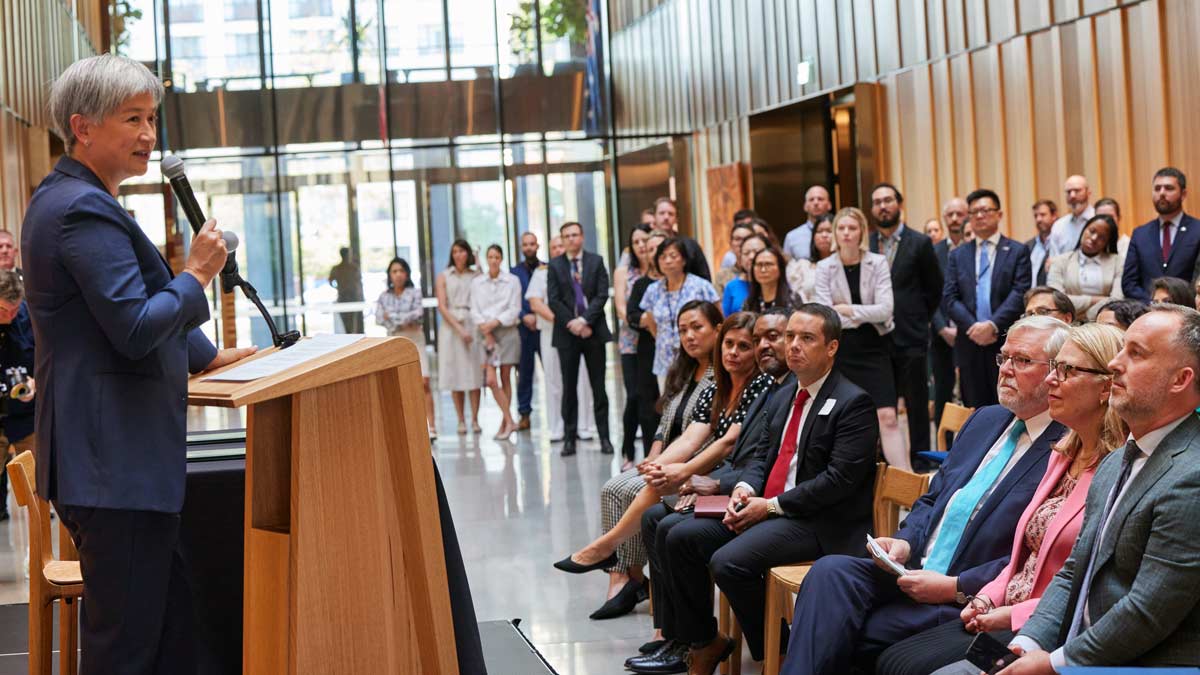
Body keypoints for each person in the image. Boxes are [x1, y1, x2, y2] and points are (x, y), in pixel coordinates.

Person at [23, 54, 257, 671]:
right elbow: (131, 327)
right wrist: (200, 273)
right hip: (112, 463)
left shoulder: (75, 199)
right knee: (126, 647)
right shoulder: (80, 209)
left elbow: (118, 315)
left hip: (117, 464)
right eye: (133, 118)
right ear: (83, 126)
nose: (150, 135)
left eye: (152, 118)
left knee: (170, 634)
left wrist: (206, 358)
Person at [781, 316, 1070, 675]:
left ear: (1058, 373)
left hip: (967, 598)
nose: (1006, 370)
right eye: (1003, 358)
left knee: (832, 629)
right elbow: (932, 500)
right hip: (913, 570)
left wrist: (955, 587)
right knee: (830, 573)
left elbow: (1035, 557)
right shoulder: (986, 420)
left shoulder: (1067, 446)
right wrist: (903, 542)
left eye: (1022, 361)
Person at [638, 305, 879, 674]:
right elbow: (762, 456)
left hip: (820, 521)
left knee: (728, 562)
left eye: (806, 338)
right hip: (772, 506)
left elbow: (837, 482)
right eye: (790, 337)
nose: (793, 346)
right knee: (677, 534)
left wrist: (770, 506)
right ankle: (704, 640)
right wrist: (746, 489)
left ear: (831, 347)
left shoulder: (853, 402)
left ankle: (781, 651)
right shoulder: (782, 395)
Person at [877, 323, 1126, 675]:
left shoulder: (1116, 468)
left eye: (1065, 370)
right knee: (890, 656)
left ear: (1106, 386)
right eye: (1053, 368)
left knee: (910, 665)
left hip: (1044, 623)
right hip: (1000, 603)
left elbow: (1083, 581)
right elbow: (1023, 553)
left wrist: (989, 602)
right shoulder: (1062, 453)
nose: (1052, 380)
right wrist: (988, 596)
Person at [1001, 306, 1200, 672]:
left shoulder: (1192, 475)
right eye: (1121, 349)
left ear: (1180, 379)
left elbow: (1146, 612)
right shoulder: (1118, 459)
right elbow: (1076, 569)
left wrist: (1054, 663)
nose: (1114, 364)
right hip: (1079, 650)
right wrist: (1026, 643)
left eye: (1136, 354)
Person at [555, 308, 771, 616]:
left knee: (659, 504)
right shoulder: (716, 385)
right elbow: (690, 438)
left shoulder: (758, 386)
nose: (733, 352)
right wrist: (658, 464)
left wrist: (679, 470)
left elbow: (726, 443)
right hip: (712, 466)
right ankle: (631, 585)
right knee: (639, 488)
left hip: (734, 473)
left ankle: (607, 549)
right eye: (729, 345)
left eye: (743, 346)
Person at [633, 309, 793, 669]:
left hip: (771, 503)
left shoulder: (768, 388)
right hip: (744, 486)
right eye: (761, 339)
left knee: (678, 534)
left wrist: (715, 483)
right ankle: (679, 636)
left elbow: (760, 460)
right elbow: (755, 458)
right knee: (654, 518)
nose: (764, 347)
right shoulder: (770, 389)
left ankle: (703, 639)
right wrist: (707, 481)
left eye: (773, 339)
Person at [817, 207, 908, 469]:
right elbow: (826, 316)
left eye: (852, 228)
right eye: (841, 228)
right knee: (844, 417)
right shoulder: (825, 267)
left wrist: (847, 310)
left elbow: (886, 310)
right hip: (840, 348)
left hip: (873, 346)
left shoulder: (877, 262)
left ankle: (908, 481)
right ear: (835, 232)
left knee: (888, 416)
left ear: (862, 233)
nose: (846, 233)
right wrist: (860, 314)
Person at [869, 183, 943, 460]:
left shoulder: (920, 242)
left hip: (910, 334)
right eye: (877, 202)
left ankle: (921, 462)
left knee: (916, 403)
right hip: (874, 338)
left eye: (888, 200)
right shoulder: (867, 242)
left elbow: (934, 288)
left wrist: (918, 317)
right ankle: (882, 462)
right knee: (881, 406)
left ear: (900, 204)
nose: (882, 206)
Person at [942, 188, 1032, 407]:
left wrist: (992, 325)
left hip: (1003, 338)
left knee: (1007, 402)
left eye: (985, 210)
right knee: (974, 405)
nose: (979, 216)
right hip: (969, 340)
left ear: (999, 215)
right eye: (973, 213)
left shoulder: (1016, 250)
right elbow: (950, 297)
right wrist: (974, 327)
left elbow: (1020, 292)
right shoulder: (958, 254)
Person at [547, 221, 614, 456]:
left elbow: (602, 294)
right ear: (562, 240)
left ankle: (605, 437)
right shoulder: (554, 265)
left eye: (575, 234)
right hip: (567, 335)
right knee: (569, 388)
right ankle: (569, 438)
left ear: (582, 236)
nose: (571, 239)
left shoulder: (596, 261)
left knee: (598, 387)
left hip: (593, 332)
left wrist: (585, 320)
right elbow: (553, 300)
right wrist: (573, 324)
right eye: (566, 236)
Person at [526, 236, 597, 443]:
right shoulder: (542, 273)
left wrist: (577, 323)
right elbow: (535, 303)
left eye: (560, 245)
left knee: (582, 380)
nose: (558, 250)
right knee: (554, 381)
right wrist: (564, 320)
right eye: (554, 247)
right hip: (552, 332)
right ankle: (557, 427)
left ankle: (584, 426)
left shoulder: (578, 269)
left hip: (578, 332)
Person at [640, 238, 720, 387]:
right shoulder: (652, 290)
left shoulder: (701, 285)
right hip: (664, 359)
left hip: (698, 357)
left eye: (673, 256)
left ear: (683, 260)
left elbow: (717, 318)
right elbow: (651, 322)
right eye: (663, 257)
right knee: (668, 405)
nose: (668, 261)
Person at [375, 257, 435, 437]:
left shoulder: (415, 293)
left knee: (424, 383)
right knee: (396, 384)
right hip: (394, 340)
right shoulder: (384, 296)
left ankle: (431, 426)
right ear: (389, 275)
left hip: (415, 338)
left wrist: (393, 318)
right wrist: (402, 320)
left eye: (401, 270)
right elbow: (378, 318)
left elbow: (418, 314)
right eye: (394, 271)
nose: (398, 274)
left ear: (407, 273)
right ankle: (403, 426)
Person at [1123, 167, 1200, 301]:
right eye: (1157, 188)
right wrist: (1155, 302)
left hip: (1187, 309)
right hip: (1147, 310)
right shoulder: (1140, 234)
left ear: (1183, 194)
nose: (1162, 193)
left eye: (1169, 188)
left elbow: (1198, 278)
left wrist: (1177, 302)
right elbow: (1129, 283)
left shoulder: (1197, 230)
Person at [471, 245, 522, 440]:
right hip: (485, 333)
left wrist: (496, 321)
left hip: (507, 331)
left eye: (497, 257)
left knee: (506, 376)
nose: (493, 260)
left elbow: (514, 308)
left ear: (501, 259)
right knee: (491, 380)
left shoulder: (512, 281)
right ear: (486, 258)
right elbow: (474, 309)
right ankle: (510, 419)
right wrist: (486, 327)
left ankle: (504, 423)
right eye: (490, 256)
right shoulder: (477, 283)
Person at [616, 224, 655, 467]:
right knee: (633, 396)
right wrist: (639, 322)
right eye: (637, 241)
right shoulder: (624, 272)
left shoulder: (657, 270)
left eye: (645, 241)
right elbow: (621, 306)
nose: (641, 246)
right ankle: (628, 450)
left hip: (654, 342)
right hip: (631, 339)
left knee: (652, 398)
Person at [436, 239, 484, 434]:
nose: (458, 255)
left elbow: (483, 288)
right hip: (451, 327)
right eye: (455, 251)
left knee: (473, 374)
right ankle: (461, 420)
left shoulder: (475, 275)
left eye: (462, 251)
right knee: (455, 374)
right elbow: (442, 305)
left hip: (472, 322)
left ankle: (475, 419)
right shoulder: (444, 276)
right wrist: (458, 328)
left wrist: (478, 259)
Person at [0, 271, 36, 523]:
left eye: (14, 310)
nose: (9, 317)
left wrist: (36, 381)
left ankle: (38, 554)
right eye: (3, 310)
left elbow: (47, 359)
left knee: (38, 486)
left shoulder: (28, 318)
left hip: (26, 416)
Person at [932, 197, 970, 427]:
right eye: (950, 215)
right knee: (942, 392)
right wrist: (940, 327)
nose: (955, 219)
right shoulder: (933, 251)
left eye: (960, 214)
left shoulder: (973, 250)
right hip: (941, 333)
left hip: (971, 330)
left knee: (969, 390)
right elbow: (929, 294)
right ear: (944, 218)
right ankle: (943, 446)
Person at [1047, 213, 1124, 320]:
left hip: (1103, 325)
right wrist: (1095, 300)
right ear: (1084, 229)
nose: (1093, 238)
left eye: (1101, 237)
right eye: (1091, 231)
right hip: (1067, 323)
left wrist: (1089, 316)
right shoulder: (1060, 261)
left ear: (1107, 242)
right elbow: (1056, 300)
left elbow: (1117, 300)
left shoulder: (1118, 262)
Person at [511, 231, 544, 431]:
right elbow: (512, 299)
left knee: (552, 370)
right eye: (525, 244)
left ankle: (559, 412)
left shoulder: (546, 269)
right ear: (522, 248)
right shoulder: (514, 273)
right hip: (523, 329)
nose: (529, 247)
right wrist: (525, 315)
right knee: (524, 373)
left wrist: (538, 316)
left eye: (532, 244)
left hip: (543, 326)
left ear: (537, 246)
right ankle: (524, 414)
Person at [650, 197, 712, 281]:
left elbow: (704, 276)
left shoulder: (690, 245)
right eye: (662, 213)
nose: (666, 217)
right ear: (654, 217)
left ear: (676, 219)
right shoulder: (646, 244)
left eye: (670, 214)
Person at [786, 213, 834, 305]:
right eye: (819, 231)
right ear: (813, 237)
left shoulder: (844, 264)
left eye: (829, 231)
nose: (824, 235)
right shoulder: (803, 266)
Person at [782, 185, 834, 261]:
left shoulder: (839, 232)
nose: (816, 203)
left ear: (829, 205)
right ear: (805, 206)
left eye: (820, 199)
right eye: (811, 199)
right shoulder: (792, 237)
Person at [1047, 175, 1094, 256]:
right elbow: (1054, 262)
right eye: (1068, 192)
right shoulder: (1059, 225)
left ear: (1088, 193)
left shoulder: (1099, 219)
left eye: (1077, 191)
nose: (1072, 196)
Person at [742, 246, 796, 313]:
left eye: (768, 264)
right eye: (759, 264)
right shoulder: (749, 303)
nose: (763, 270)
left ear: (780, 268)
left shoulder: (792, 299)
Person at [723, 234, 765, 316]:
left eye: (756, 252)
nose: (751, 257)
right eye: (746, 253)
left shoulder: (777, 283)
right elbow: (726, 320)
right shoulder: (732, 286)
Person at [328, 245, 364, 333]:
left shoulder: (354, 268)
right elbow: (330, 281)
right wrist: (338, 288)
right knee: (348, 326)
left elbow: (358, 283)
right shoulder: (339, 268)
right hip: (344, 298)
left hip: (352, 298)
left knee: (352, 325)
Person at [713, 221, 754, 293]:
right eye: (737, 239)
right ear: (731, 244)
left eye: (746, 238)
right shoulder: (722, 276)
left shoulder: (761, 271)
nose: (742, 243)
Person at [1027, 200, 1058, 286]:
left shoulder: (1060, 243)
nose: (1038, 219)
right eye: (1036, 216)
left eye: (1043, 215)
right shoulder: (1028, 246)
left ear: (1054, 215)